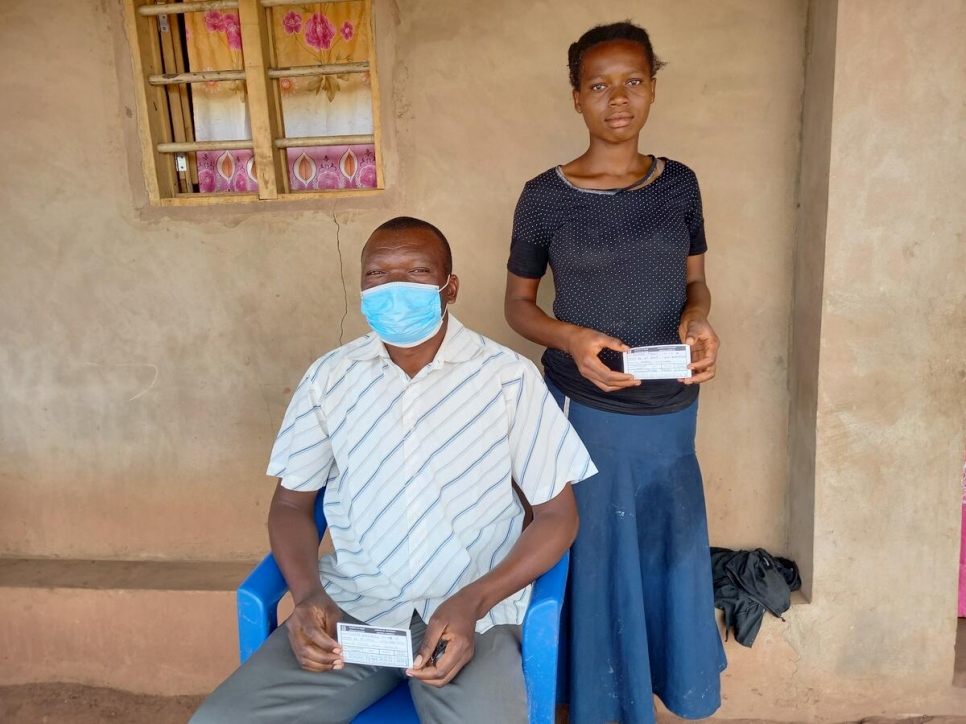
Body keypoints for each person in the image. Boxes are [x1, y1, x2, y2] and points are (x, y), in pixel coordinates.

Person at [191, 216, 596, 724]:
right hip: (355, 611)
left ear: (450, 287)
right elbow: (292, 504)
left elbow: (558, 516)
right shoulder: (329, 379)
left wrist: (474, 600)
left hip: (473, 617)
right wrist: (309, 595)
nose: (394, 289)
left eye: (416, 272)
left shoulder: (507, 379)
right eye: (378, 276)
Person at [503, 22, 726, 724]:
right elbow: (517, 305)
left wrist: (698, 323)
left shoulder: (680, 184)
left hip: (671, 410)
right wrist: (570, 337)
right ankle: (595, 705)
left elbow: (696, 286)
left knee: (666, 545)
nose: (617, 98)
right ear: (576, 98)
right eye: (599, 85)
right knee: (593, 556)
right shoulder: (545, 196)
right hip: (582, 410)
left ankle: (663, 690)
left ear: (653, 87)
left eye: (632, 80)